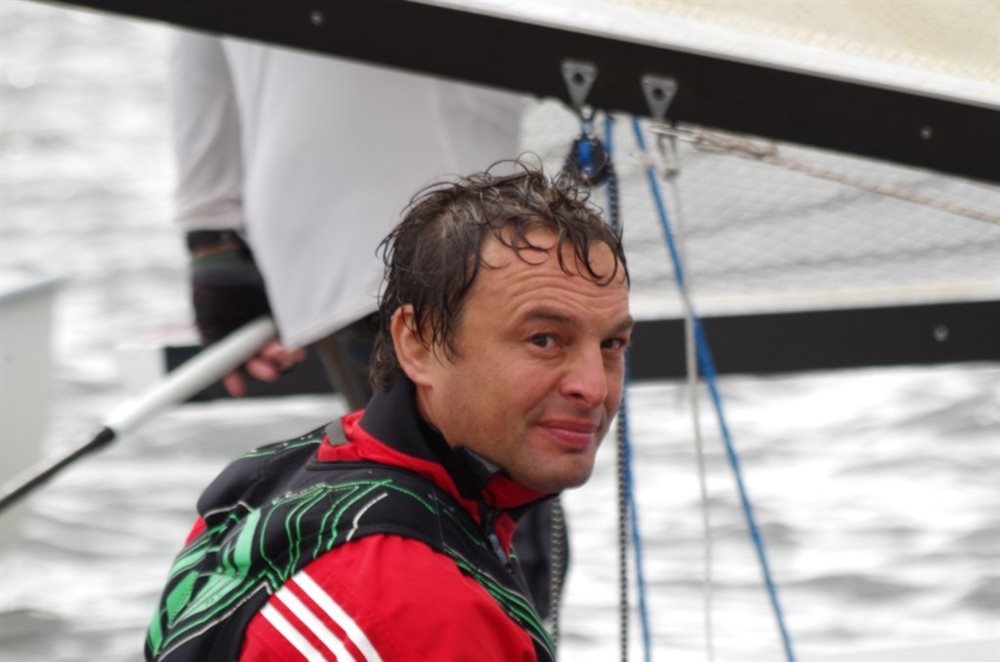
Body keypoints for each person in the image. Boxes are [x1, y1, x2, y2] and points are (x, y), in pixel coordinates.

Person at [144, 161, 633, 661]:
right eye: (544, 340)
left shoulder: (263, 481)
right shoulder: (431, 608)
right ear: (417, 344)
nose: (594, 388)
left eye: (611, 344)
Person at [169, 30, 569, 621]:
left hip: (330, 234)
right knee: (491, 531)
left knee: (467, 521)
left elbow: (196, 48)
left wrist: (211, 236)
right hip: (441, 240)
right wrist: (211, 237)